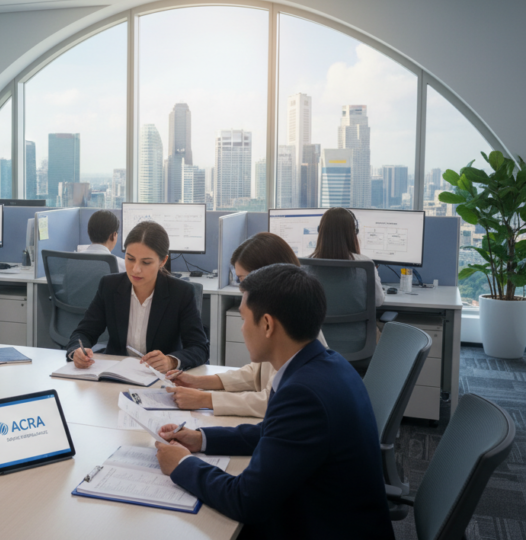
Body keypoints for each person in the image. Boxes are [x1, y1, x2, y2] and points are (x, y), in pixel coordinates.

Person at [154, 264, 393, 540]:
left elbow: (245, 501)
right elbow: (273, 432)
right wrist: (200, 438)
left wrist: (183, 465)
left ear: (267, 324)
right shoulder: (324, 363)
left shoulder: (304, 393)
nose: (242, 329)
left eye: (244, 319)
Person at [165, 232, 328, 418]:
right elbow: (257, 373)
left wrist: (205, 399)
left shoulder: (293, 331)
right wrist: (200, 382)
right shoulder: (285, 318)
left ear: (269, 276)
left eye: (243, 281)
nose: (242, 291)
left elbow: (273, 402)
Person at [66, 221, 208, 373]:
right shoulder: (109, 286)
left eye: (146, 262)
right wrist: (77, 351)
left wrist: (171, 361)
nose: (136, 269)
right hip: (117, 375)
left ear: (163, 261)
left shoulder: (181, 293)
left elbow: (199, 347)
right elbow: (84, 332)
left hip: (159, 379)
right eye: (130, 259)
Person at [310, 207, 385, 307]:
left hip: (318, 323)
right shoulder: (365, 265)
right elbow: (378, 301)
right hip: (356, 323)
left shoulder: (305, 265)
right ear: (354, 233)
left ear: (321, 231)